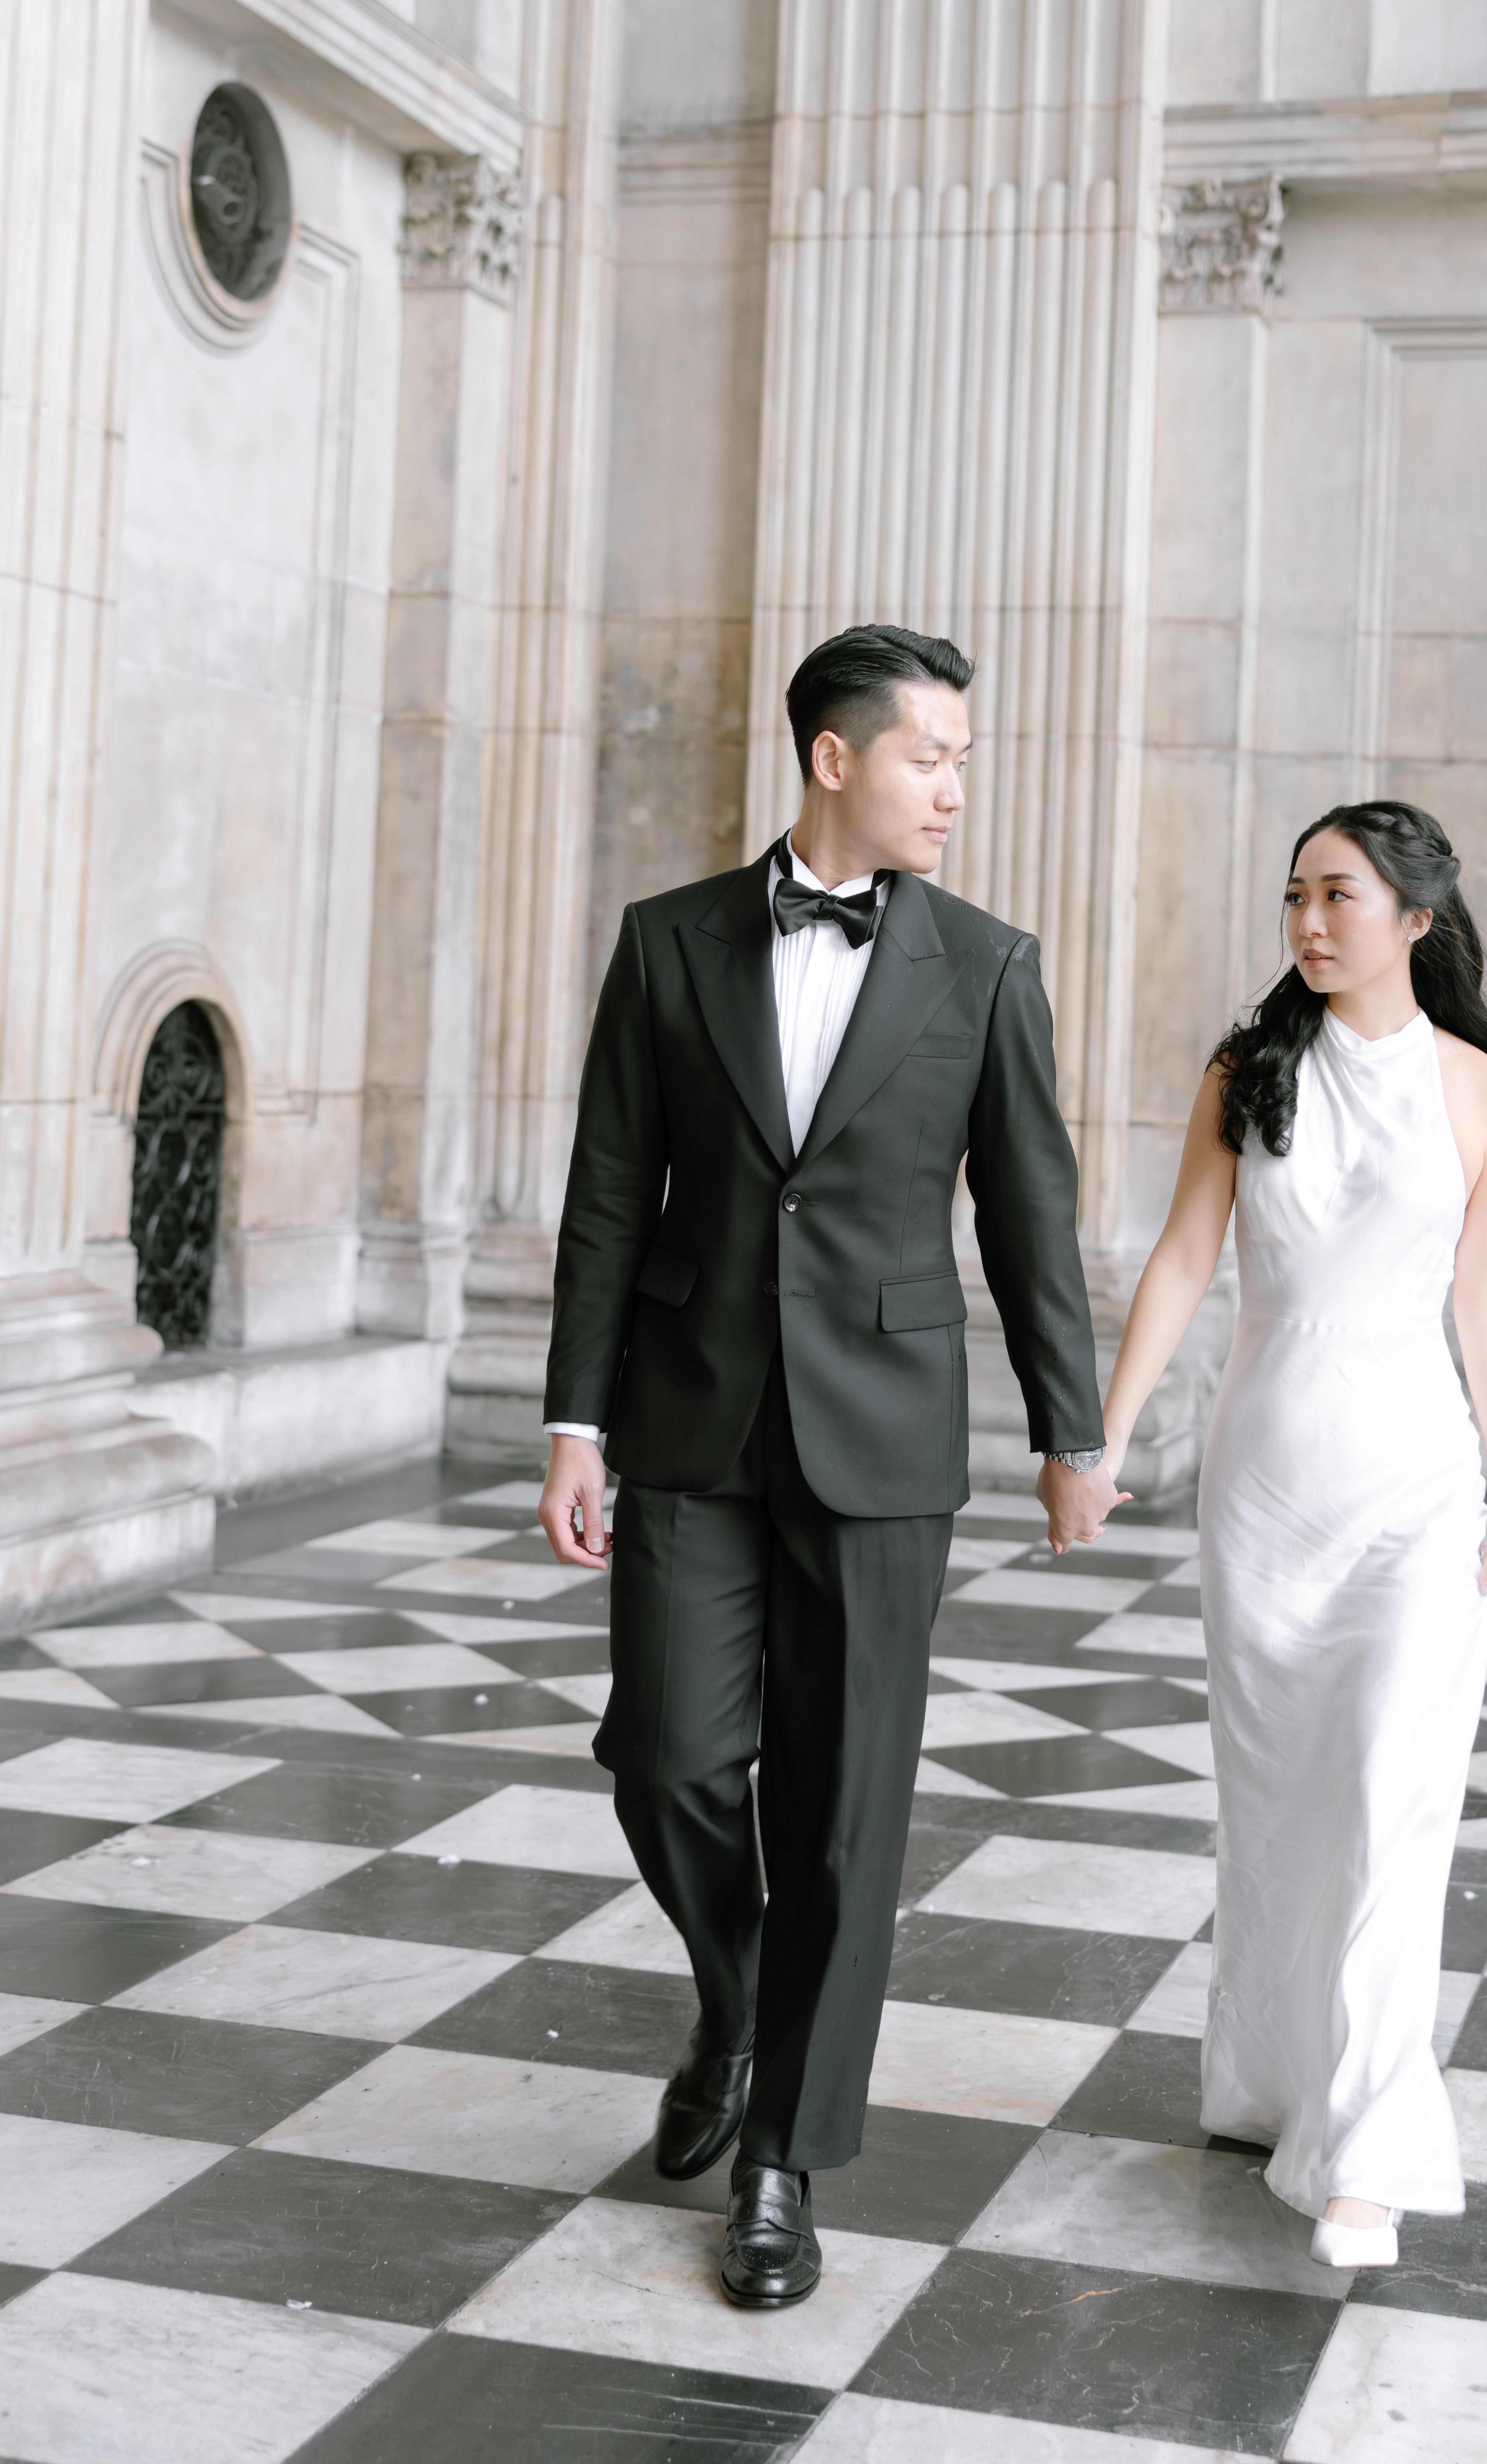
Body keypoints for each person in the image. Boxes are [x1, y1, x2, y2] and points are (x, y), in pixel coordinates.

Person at [536, 625, 1111, 2309]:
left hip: (886, 1433)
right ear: (836, 757)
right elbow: (604, 1196)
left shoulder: (987, 965)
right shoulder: (667, 943)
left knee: (848, 1810)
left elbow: (1032, 1217)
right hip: (690, 1416)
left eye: (963, 759)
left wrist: (1068, 1428)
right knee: (664, 1753)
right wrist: (575, 1414)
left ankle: (781, 2157)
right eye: (932, 753)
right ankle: (742, 1984)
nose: (954, 785)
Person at [1093, 801, 1487, 2269]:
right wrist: (1101, 1436)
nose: (1308, 922)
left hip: (1418, 1487)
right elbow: (1182, 1258)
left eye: (1340, 895)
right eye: (1294, 896)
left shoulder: (1486, 1097)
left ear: (1418, 917)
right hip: (1266, 1490)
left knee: (1395, 1801)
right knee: (1279, 1802)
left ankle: (1370, 2152)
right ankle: (1275, 2086)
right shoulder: (1250, 1070)